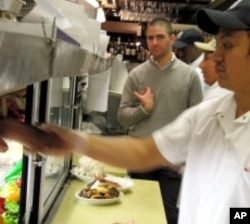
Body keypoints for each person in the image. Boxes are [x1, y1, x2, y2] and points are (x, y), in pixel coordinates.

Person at [0, 0, 250, 223]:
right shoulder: (212, 112)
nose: (215, 57)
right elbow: (145, 150)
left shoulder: (190, 80)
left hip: (172, 171)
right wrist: (71, 140)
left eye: (227, 45)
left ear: (171, 39)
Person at [117, 17, 203, 224]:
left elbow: (198, 122)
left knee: (169, 217)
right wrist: (144, 110)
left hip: (171, 162)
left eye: (160, 37)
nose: (154, 43)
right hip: (140, 158)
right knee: (138, 215)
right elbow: (122, 118)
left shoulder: (189, 76)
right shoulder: (136, 75)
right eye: (150, 38)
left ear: (172, 38)